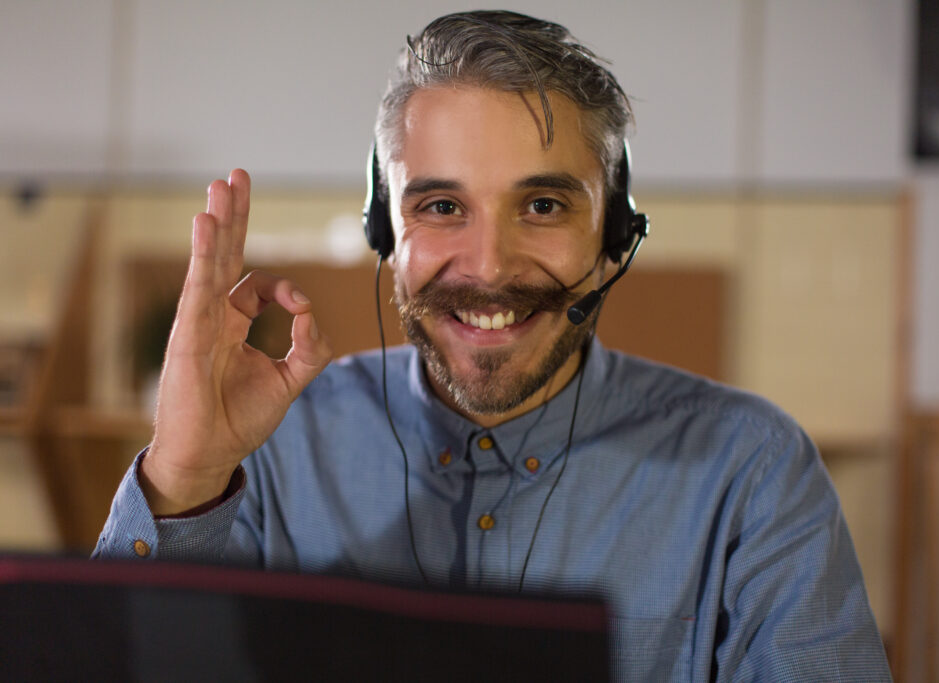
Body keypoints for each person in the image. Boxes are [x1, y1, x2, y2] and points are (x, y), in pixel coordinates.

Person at [95, 10, 892, 681]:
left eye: (543, 204)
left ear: (615, 236)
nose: (489, 268)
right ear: (387, 232)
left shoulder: (750, 469)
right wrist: (183, 481)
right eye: (442, 205)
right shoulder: (275, 449)